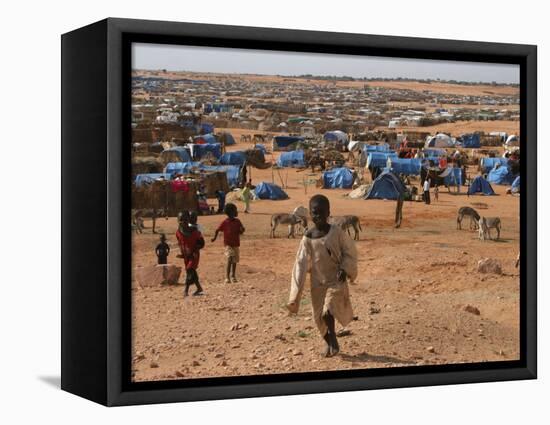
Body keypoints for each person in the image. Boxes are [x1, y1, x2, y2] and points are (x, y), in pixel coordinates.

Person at [287, 194, 358, 358]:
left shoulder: (337, 233)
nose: (317, 216)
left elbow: (350, 251)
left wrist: (345, 268)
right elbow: (300, 264)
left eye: (321, 212)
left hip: (335, 281)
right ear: (310, 214)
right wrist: (294, 296)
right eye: (314, 213)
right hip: (317, 283)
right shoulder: (308, 238)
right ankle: (328, 342)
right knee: (318, 318)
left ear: (328, 213)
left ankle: (333, 340)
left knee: (328, 310)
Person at [211, 203, 245, 283]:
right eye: (235, 210)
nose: (237, 212)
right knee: (230, 258)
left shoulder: (238, 221)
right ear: (231, 212)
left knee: (235, 260)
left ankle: (233, 276)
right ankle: (227, 277)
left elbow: (241, 230)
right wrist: (214, 238)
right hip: (228, 244)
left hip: (236, 244)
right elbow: (217, 230)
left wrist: (242, 230)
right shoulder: (225, 222)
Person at [175, 211, 205, 297]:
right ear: (178, 220)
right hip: (186, 256)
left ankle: (186, 290)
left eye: (185, 220)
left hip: (194, 255)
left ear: (188, 220)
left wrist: (195, 250)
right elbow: (181, 243)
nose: (183, 222)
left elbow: (202, 243)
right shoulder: (178, 232)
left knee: (189, 270)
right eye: (181, 220)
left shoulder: (195, 232)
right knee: (191, 271)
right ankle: (199, 288)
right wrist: (182, 254)